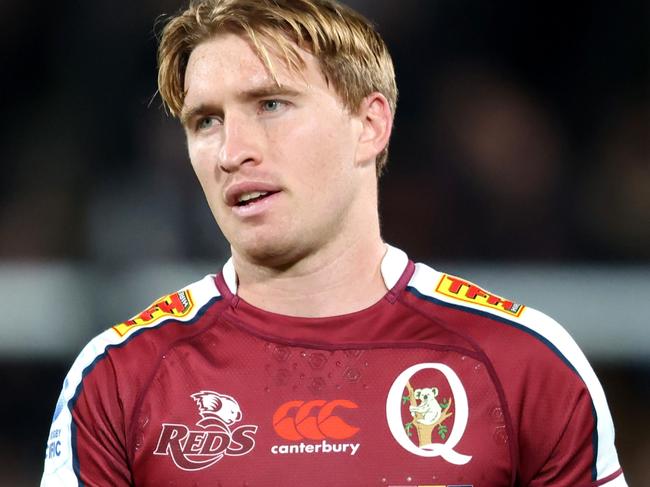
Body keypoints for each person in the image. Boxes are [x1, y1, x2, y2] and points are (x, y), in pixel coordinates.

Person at [41, 0, 627, 485]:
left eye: (270, 105)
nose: (231, 151)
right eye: (206, 122)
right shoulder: (120, 379)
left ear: (370, 124)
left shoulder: (526, 365)